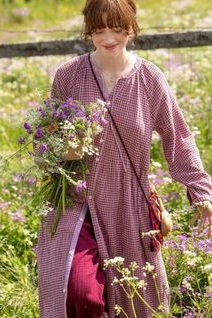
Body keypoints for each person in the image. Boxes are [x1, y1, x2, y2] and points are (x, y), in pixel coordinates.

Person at [37, 0, 212, 317]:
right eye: (99, 29)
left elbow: (178, 136)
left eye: (117, 29)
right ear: (88, 29)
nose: (108, 38)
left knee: (135, 301)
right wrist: (64, 150)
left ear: (132, 27)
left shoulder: (149, 79)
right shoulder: (69, 76)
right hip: (78, 203)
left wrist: (201, 191)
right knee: (80, 294)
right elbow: (44, 140)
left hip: (129, 207)